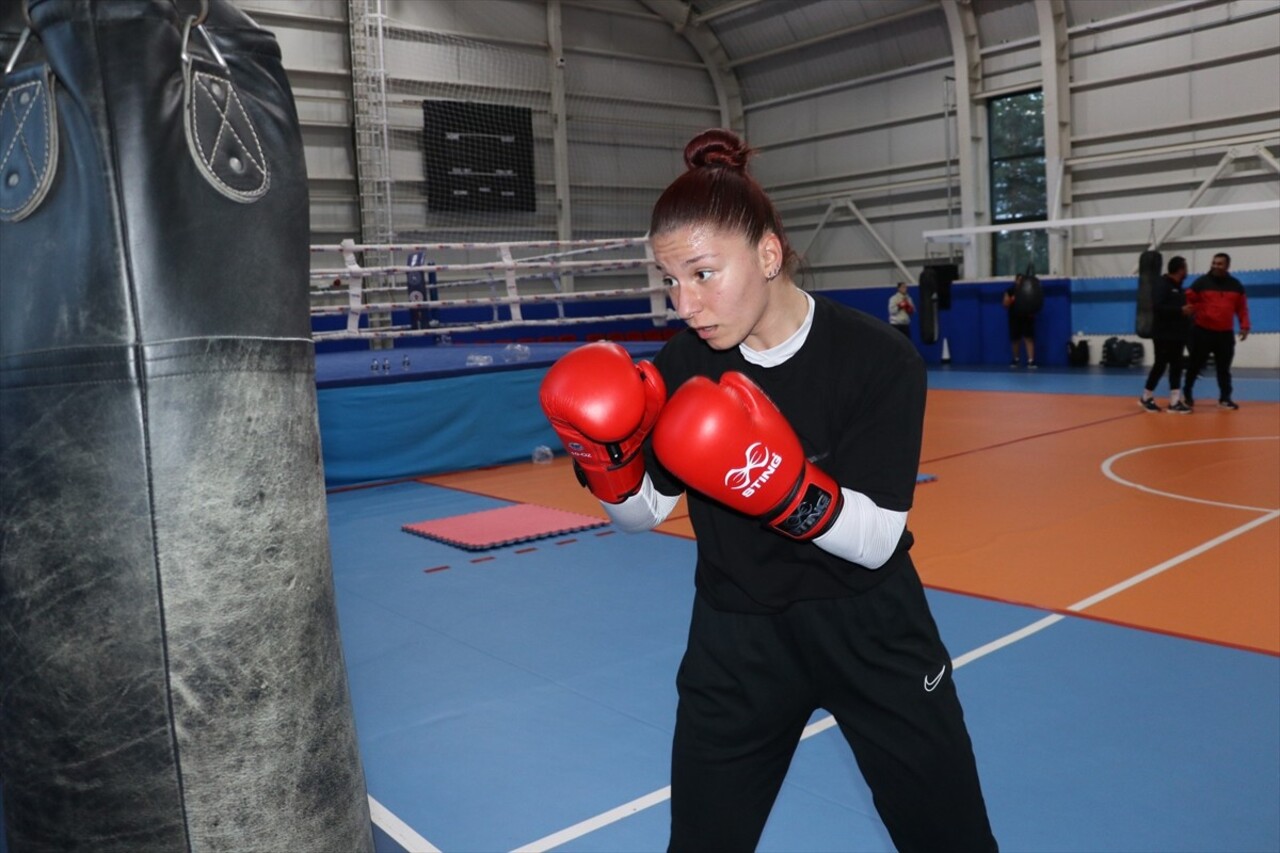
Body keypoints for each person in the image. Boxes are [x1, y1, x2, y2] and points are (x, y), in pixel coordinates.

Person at [539, 129, 997, 853]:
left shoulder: (877, 359)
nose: (683, 303)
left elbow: (877, 539)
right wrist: (607, 462)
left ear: (769, 254)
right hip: (737, 636)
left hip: (869, 627)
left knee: (952, 840)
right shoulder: (685, 359)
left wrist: (781, 487)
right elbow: (642, 513)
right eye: (670, 280)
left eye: (701, 274)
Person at [1181, 252, 1250, 410]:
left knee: (1224, 369)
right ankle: (1188, 395)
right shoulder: (1201, 283)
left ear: (1227, 266)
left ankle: (1225, 398)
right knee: (1194, 365)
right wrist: (1195, 310)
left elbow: (1242, 308)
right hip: (1202, 332)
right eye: (1214, 263)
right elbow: (1188, 299)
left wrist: (1245, 326)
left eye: (1219, 264)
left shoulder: (1236, 285)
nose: (1215, 266)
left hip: (1225, 334)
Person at [1140, 256, 1192, 414]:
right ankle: (1146, 397)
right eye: (1185, 268)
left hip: (1177, 334)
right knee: (1160, 365)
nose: (1186, 271)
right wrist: (1180, 311)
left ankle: (1175, 401)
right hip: (1163, 334)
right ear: (1181, 269)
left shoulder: (1180, 288)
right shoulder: (1162, 285)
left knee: (1177, 366)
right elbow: (1158, 307)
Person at [1002, 274, 1036, 368]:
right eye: (1019, 280)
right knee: (1015, 339)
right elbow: (1005, 304)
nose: (1020, 282)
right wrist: (1013, 299)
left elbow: (1035, 302)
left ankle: (1031, 361)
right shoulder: (1010, 291)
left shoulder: (1029, 290)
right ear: (1016, 281)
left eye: (1022, 280)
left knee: (1029, 338)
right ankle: (1016, 360)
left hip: (1026, 317)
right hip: (1014, 317)